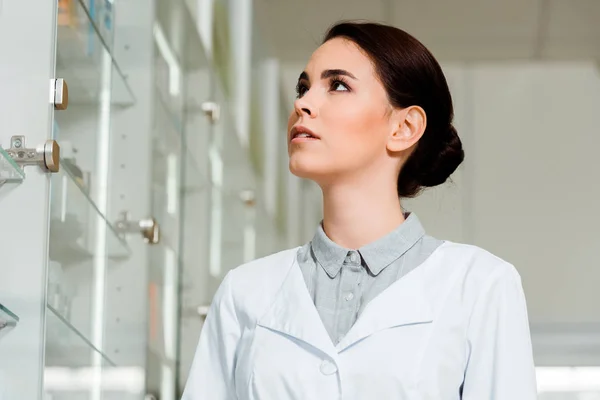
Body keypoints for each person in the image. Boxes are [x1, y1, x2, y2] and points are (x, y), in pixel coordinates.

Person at [182, 21, 537, 399]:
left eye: (337, 85)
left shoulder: (480, 285)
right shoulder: (245, 292)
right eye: (303, 87)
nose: (302, 103)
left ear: (404, 127)